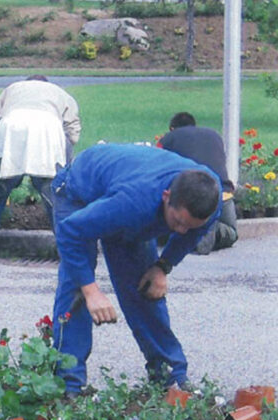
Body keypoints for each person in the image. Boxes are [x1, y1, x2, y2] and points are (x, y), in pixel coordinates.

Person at [50, 143, 221, 396]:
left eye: (190, 226)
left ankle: (169, 378)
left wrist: (163, 266)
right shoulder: (134, 201)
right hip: (78, 193)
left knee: (146, 286)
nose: (181, 230)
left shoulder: (209, 197)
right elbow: (70, 231)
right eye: (177, 222)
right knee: (76, 287)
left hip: (123, 193)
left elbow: (191, 232)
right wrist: (92, 291)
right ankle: (68, 386)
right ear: (166, 196)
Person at [0, 75, 81, 256]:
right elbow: (72, 128)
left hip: (10, 129)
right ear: (47, 84)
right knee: (55, 195)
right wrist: (65, 158)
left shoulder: (12, 88)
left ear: (27, 82)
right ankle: (68, 250)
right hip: (48, 132)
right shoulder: (60, 93)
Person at [158, 112, 238, 255]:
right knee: (231, 232)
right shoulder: (214, 135)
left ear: (172, 128)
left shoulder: (168, 139)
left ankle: (199, 232)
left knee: (166, 226)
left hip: (188, 198)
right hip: (222, 195)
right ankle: (212, 229)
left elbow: (158, 171)